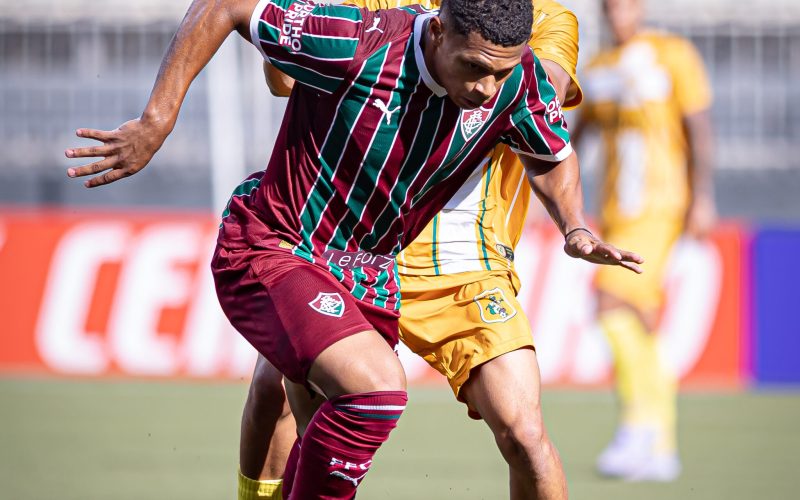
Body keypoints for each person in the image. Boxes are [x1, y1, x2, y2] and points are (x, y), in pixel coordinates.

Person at [65, 0, 643, 497]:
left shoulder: (522, 48)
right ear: (439, 31)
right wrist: (158, 120)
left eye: (499, 73)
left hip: (409, 264)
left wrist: (574, 227)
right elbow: (248, 31)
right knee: (343, 391)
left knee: (517, 431)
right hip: (283, 245)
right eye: (474, 68)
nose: (485, 89)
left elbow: (550, 139)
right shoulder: (365, 36)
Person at [238, 1, 590, 499]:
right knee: (271, 390)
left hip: (463, 261)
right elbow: (287, 79)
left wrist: (458, 56)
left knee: (525, 435)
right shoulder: (379, 10)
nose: (487, 83)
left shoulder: (538, 20)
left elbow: (540, 92)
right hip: (343, 242)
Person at [575, 0, 716, 482]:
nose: (617, 14)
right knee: (641, 319)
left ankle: (637, 428)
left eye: (625, 5)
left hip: (661, 205)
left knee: (609, 302)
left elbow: (698, 127)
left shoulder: (671, 54)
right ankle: (661, 446)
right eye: (610, 7)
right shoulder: (599, 69)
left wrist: (702, 196)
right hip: (617, 213)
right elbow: (576, 138)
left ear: (640, 7)